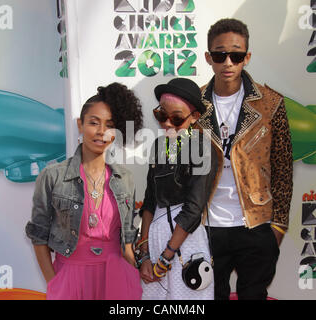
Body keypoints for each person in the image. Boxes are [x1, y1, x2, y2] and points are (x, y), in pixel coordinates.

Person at [195, 18, 293, 300]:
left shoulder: (270, 103)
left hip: (256, 224)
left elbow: (283, 169)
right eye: (219, 54)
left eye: (236, 55)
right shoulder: (194, 104)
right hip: (206, 226)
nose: (228, 62)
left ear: (246, 57)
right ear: (208, 58)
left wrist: (278, 227)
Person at [25, 82, 143, 300]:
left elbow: (127, 241)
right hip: (69, 276)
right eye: (93, 123)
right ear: (80, 125)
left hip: (116, 277)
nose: (101, 132)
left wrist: (133, 275)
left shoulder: (125, 179)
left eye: (109, 125)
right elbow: (38, 236)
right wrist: (55, 283)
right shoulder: (52, 176)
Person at [138, 78, 218, 300]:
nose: (168, 124)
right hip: (155, 239)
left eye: (177, 118)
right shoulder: (158, 146)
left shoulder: (202, 147)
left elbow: (193, 209)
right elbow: (149, 200)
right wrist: (144, 254)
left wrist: (167, 255)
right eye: (162, 115)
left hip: (185, 241)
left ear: (194, 117)